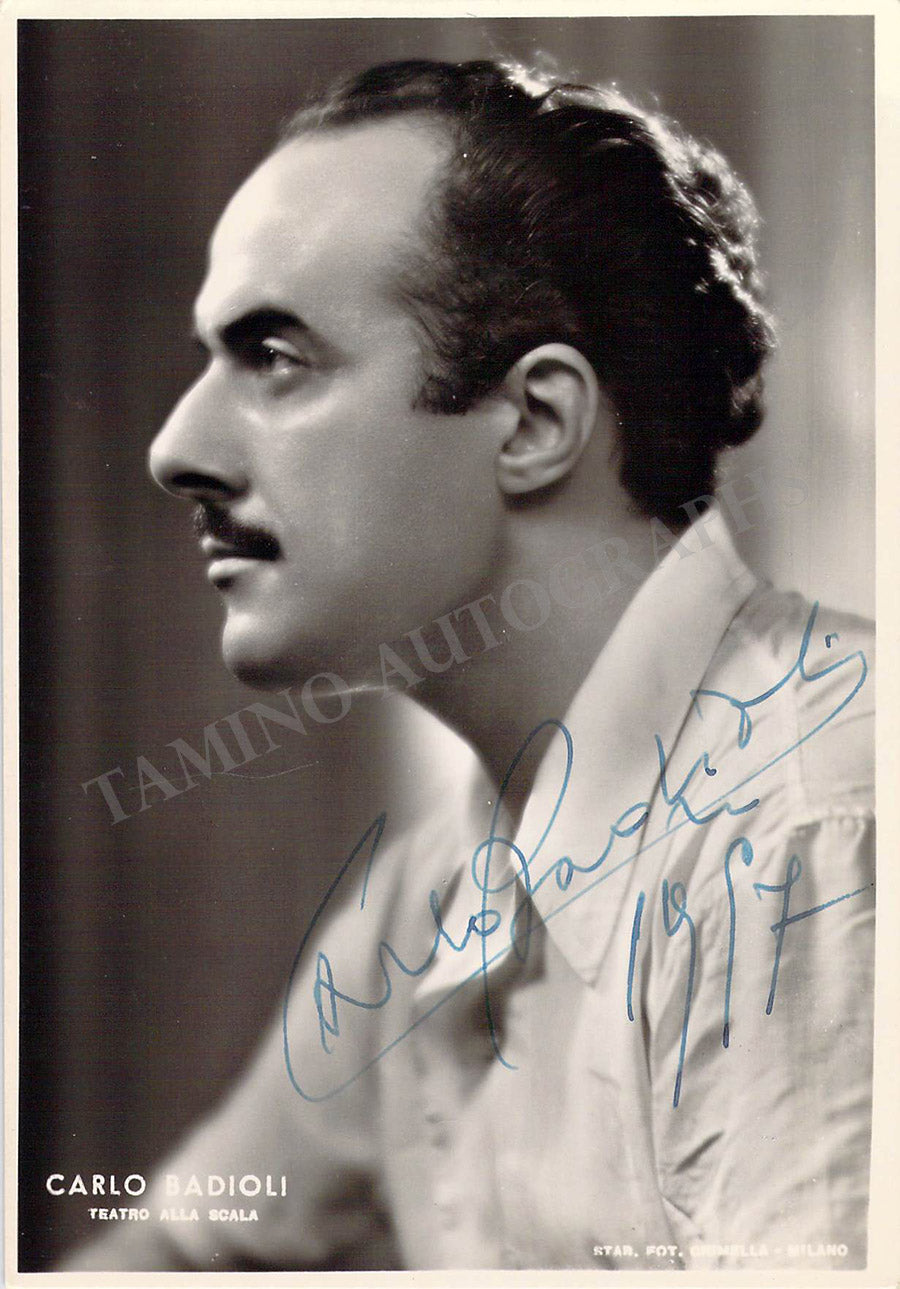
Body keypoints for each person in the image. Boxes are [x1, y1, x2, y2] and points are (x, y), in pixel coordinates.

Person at [65, 58, 874, 1271]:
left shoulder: (818, 838)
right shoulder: (435, 888)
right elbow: (181, 1248)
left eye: (275, 355)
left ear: (536, 422)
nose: (176, 447)